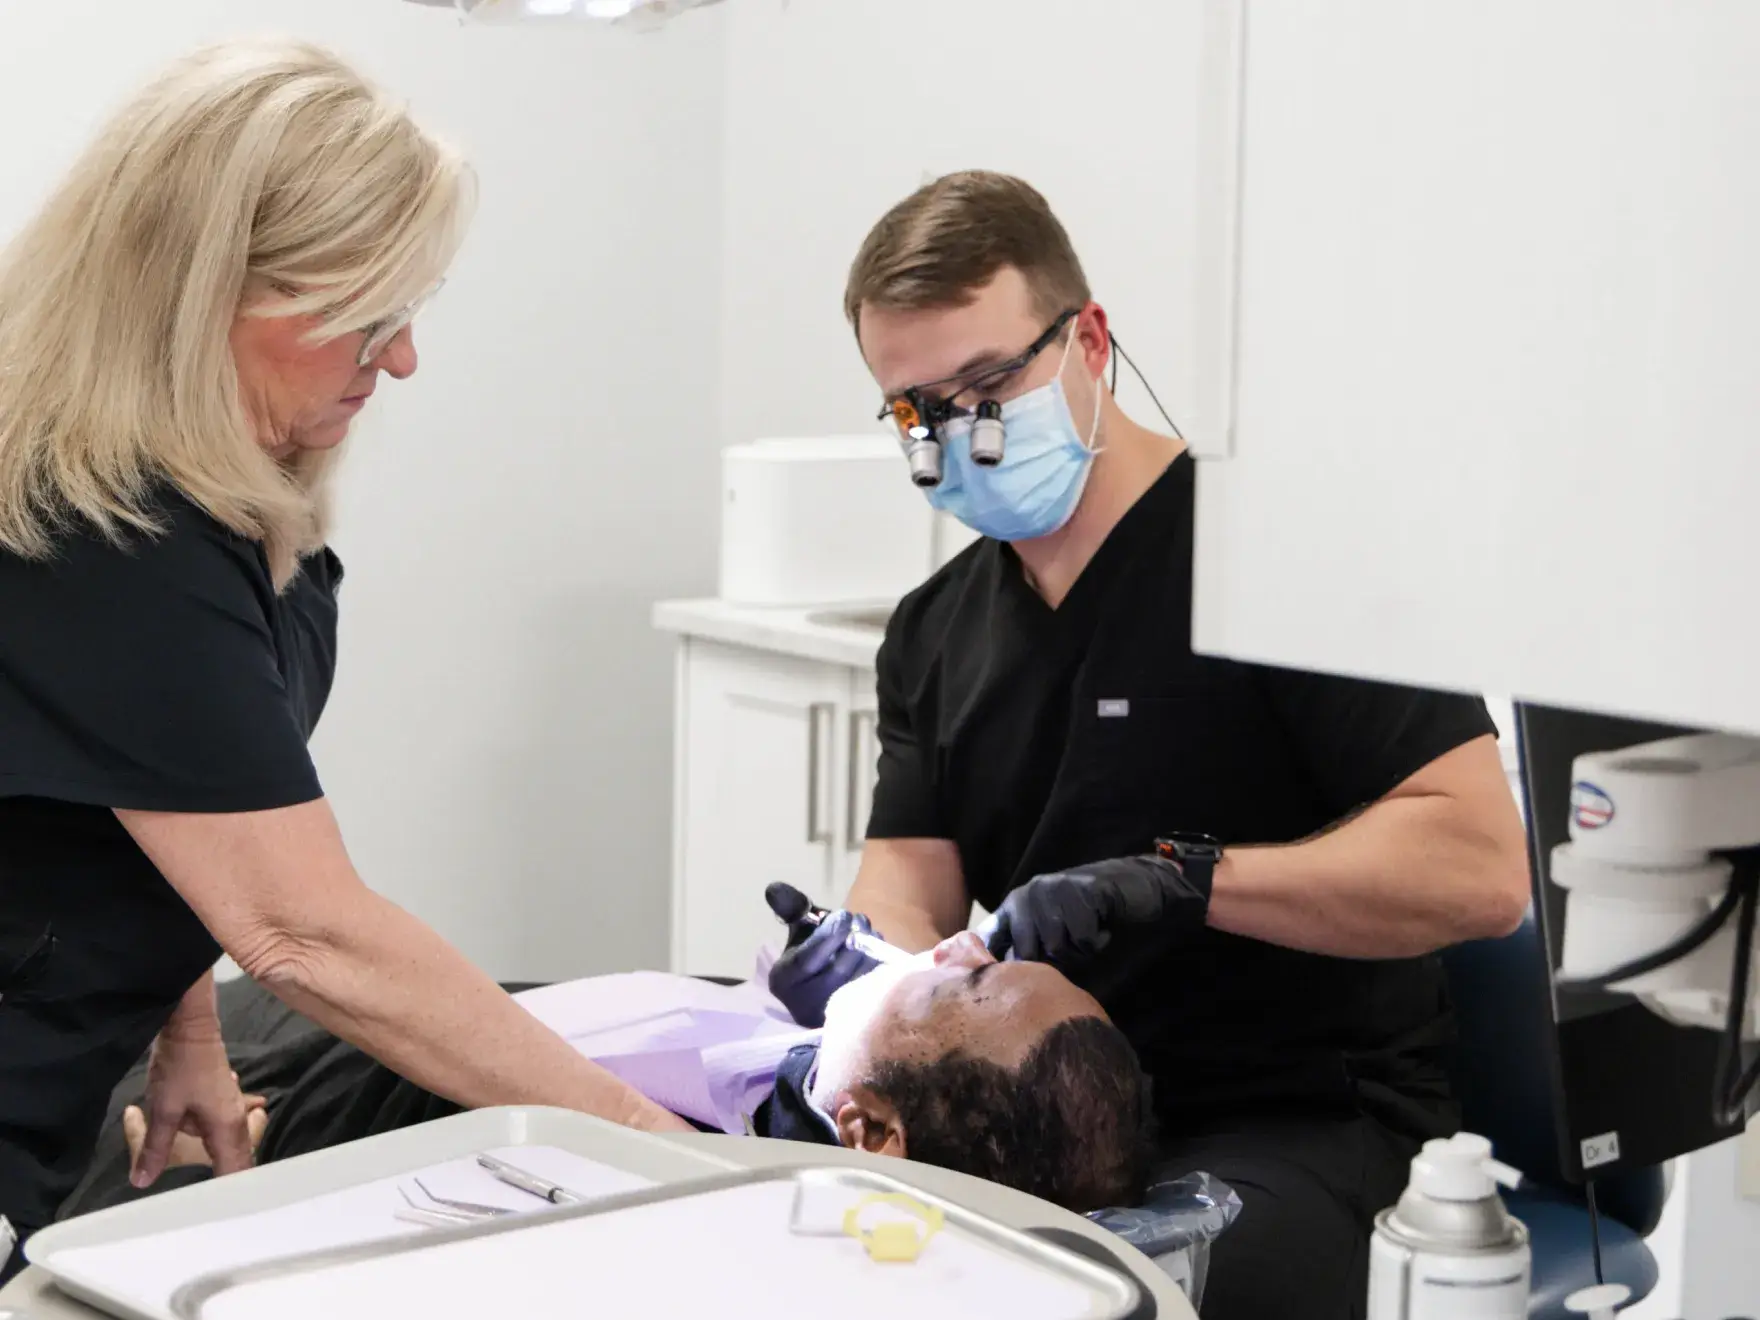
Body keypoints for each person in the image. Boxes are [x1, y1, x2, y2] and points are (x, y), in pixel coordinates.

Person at [768, 170, 1532, 1320]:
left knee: (1102, 1300)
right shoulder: (933, 631)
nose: (956, 430)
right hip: (1029, 1130)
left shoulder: (1281, 559)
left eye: (985, 384)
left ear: (1088, 339)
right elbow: (908, 882)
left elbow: (1479, 871)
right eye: (916, 409)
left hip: (1293, 1126)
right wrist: (863, 968)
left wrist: (1182, 883)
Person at [0, 37, 691, 1280]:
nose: (404, 358)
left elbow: (159, 797)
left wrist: (189, 1033)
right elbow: (305, 929)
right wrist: (655, 1149)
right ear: (202, 295)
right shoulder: (97, 534)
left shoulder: (232, 518)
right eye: (370, 316)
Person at [59, 932, 1155, 1219]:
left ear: (868, 1134)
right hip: (277, 1028)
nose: (959, 943)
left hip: (240, 1110)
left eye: (967, 985)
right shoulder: (816, 1073)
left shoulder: (621, 1181)